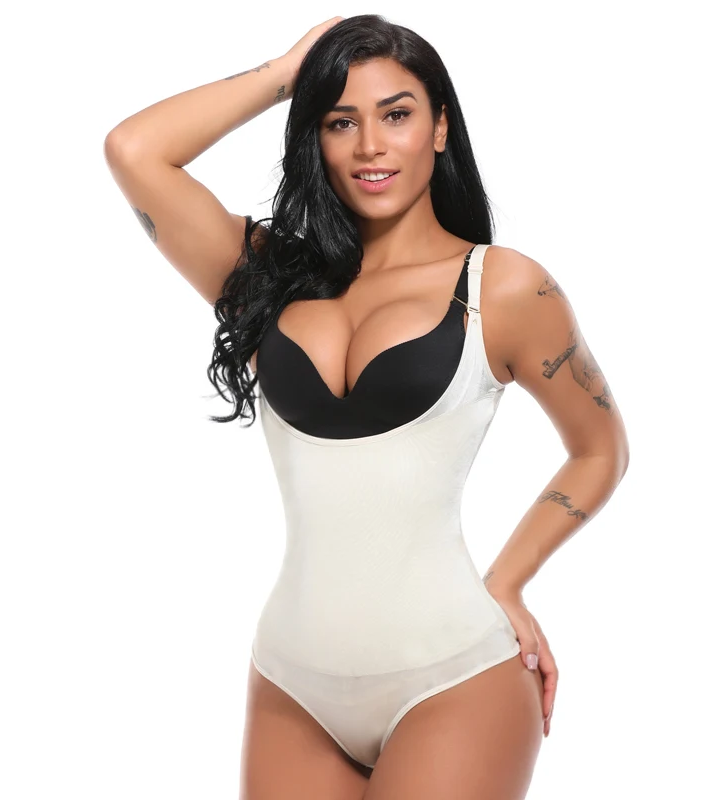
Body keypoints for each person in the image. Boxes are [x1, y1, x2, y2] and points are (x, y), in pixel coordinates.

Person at [104, 13, 630, 800]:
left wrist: (509, 581)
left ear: (440, 127)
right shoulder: (265, 279)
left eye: (396, 114)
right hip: (291, 683)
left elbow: (600, 448)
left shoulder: (504, 288)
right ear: (314, 136)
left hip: (456, 677)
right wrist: (290, 70)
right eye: (340, 121)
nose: (370, 146)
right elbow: (133, 150)